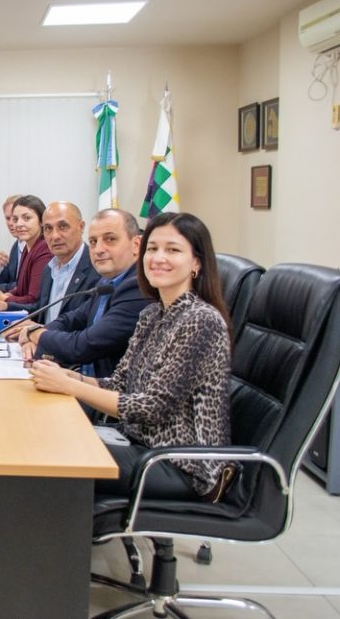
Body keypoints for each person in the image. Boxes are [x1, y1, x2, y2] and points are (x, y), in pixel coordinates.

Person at [30, 212, 233, 500]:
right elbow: (119, 383)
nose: (158, 258)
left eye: (172, 250)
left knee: (53, 453)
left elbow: (152, 408)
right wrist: (68, 376)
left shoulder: (201, 320)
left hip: (179, 463)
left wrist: (69, 386)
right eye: (153, 249)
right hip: (138, 442)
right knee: (46, 434)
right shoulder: (152, 314)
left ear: (196, 263)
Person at [16, 209, 151, 378]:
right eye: (93, 241)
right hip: (83, 380)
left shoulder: (138, 288)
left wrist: (36, 334)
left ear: (136, 245)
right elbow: (70, 319)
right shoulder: (107, 282)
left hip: (105, 390)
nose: (98, 249)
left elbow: (83, 346)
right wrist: (34, 332)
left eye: (110, 239)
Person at [0, 195, 52, 312]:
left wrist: (3, 298)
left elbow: (33, 300)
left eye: (26, 218)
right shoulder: (27, 248)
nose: (18, 224)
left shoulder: (44, 249)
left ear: (41, 221)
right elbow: (20, 289)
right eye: (15, 219)